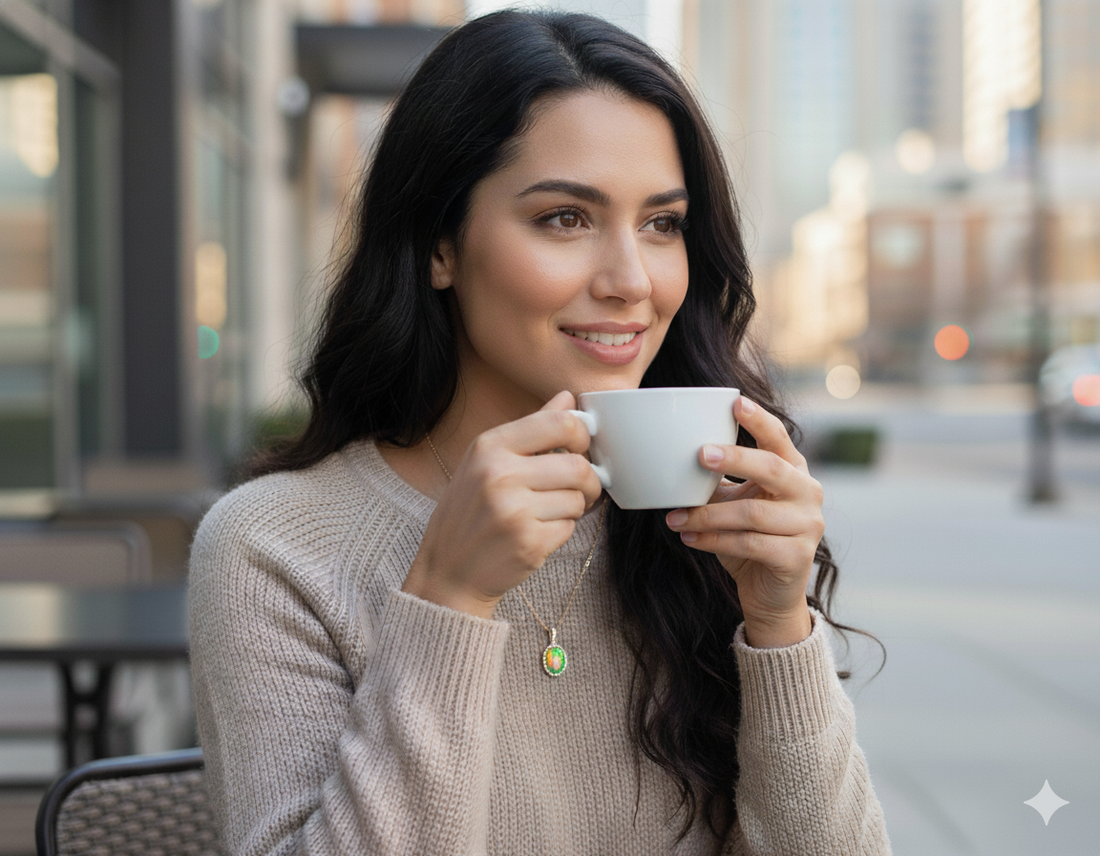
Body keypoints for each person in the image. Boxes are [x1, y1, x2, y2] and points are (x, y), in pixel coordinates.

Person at [189, 9, 891, 855]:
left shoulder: (704, 528)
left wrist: (779, 625)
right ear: (440, 245)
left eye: (662, 224)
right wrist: (450, 598)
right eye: (565, 218)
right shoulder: (272, 548)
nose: (632, 281)